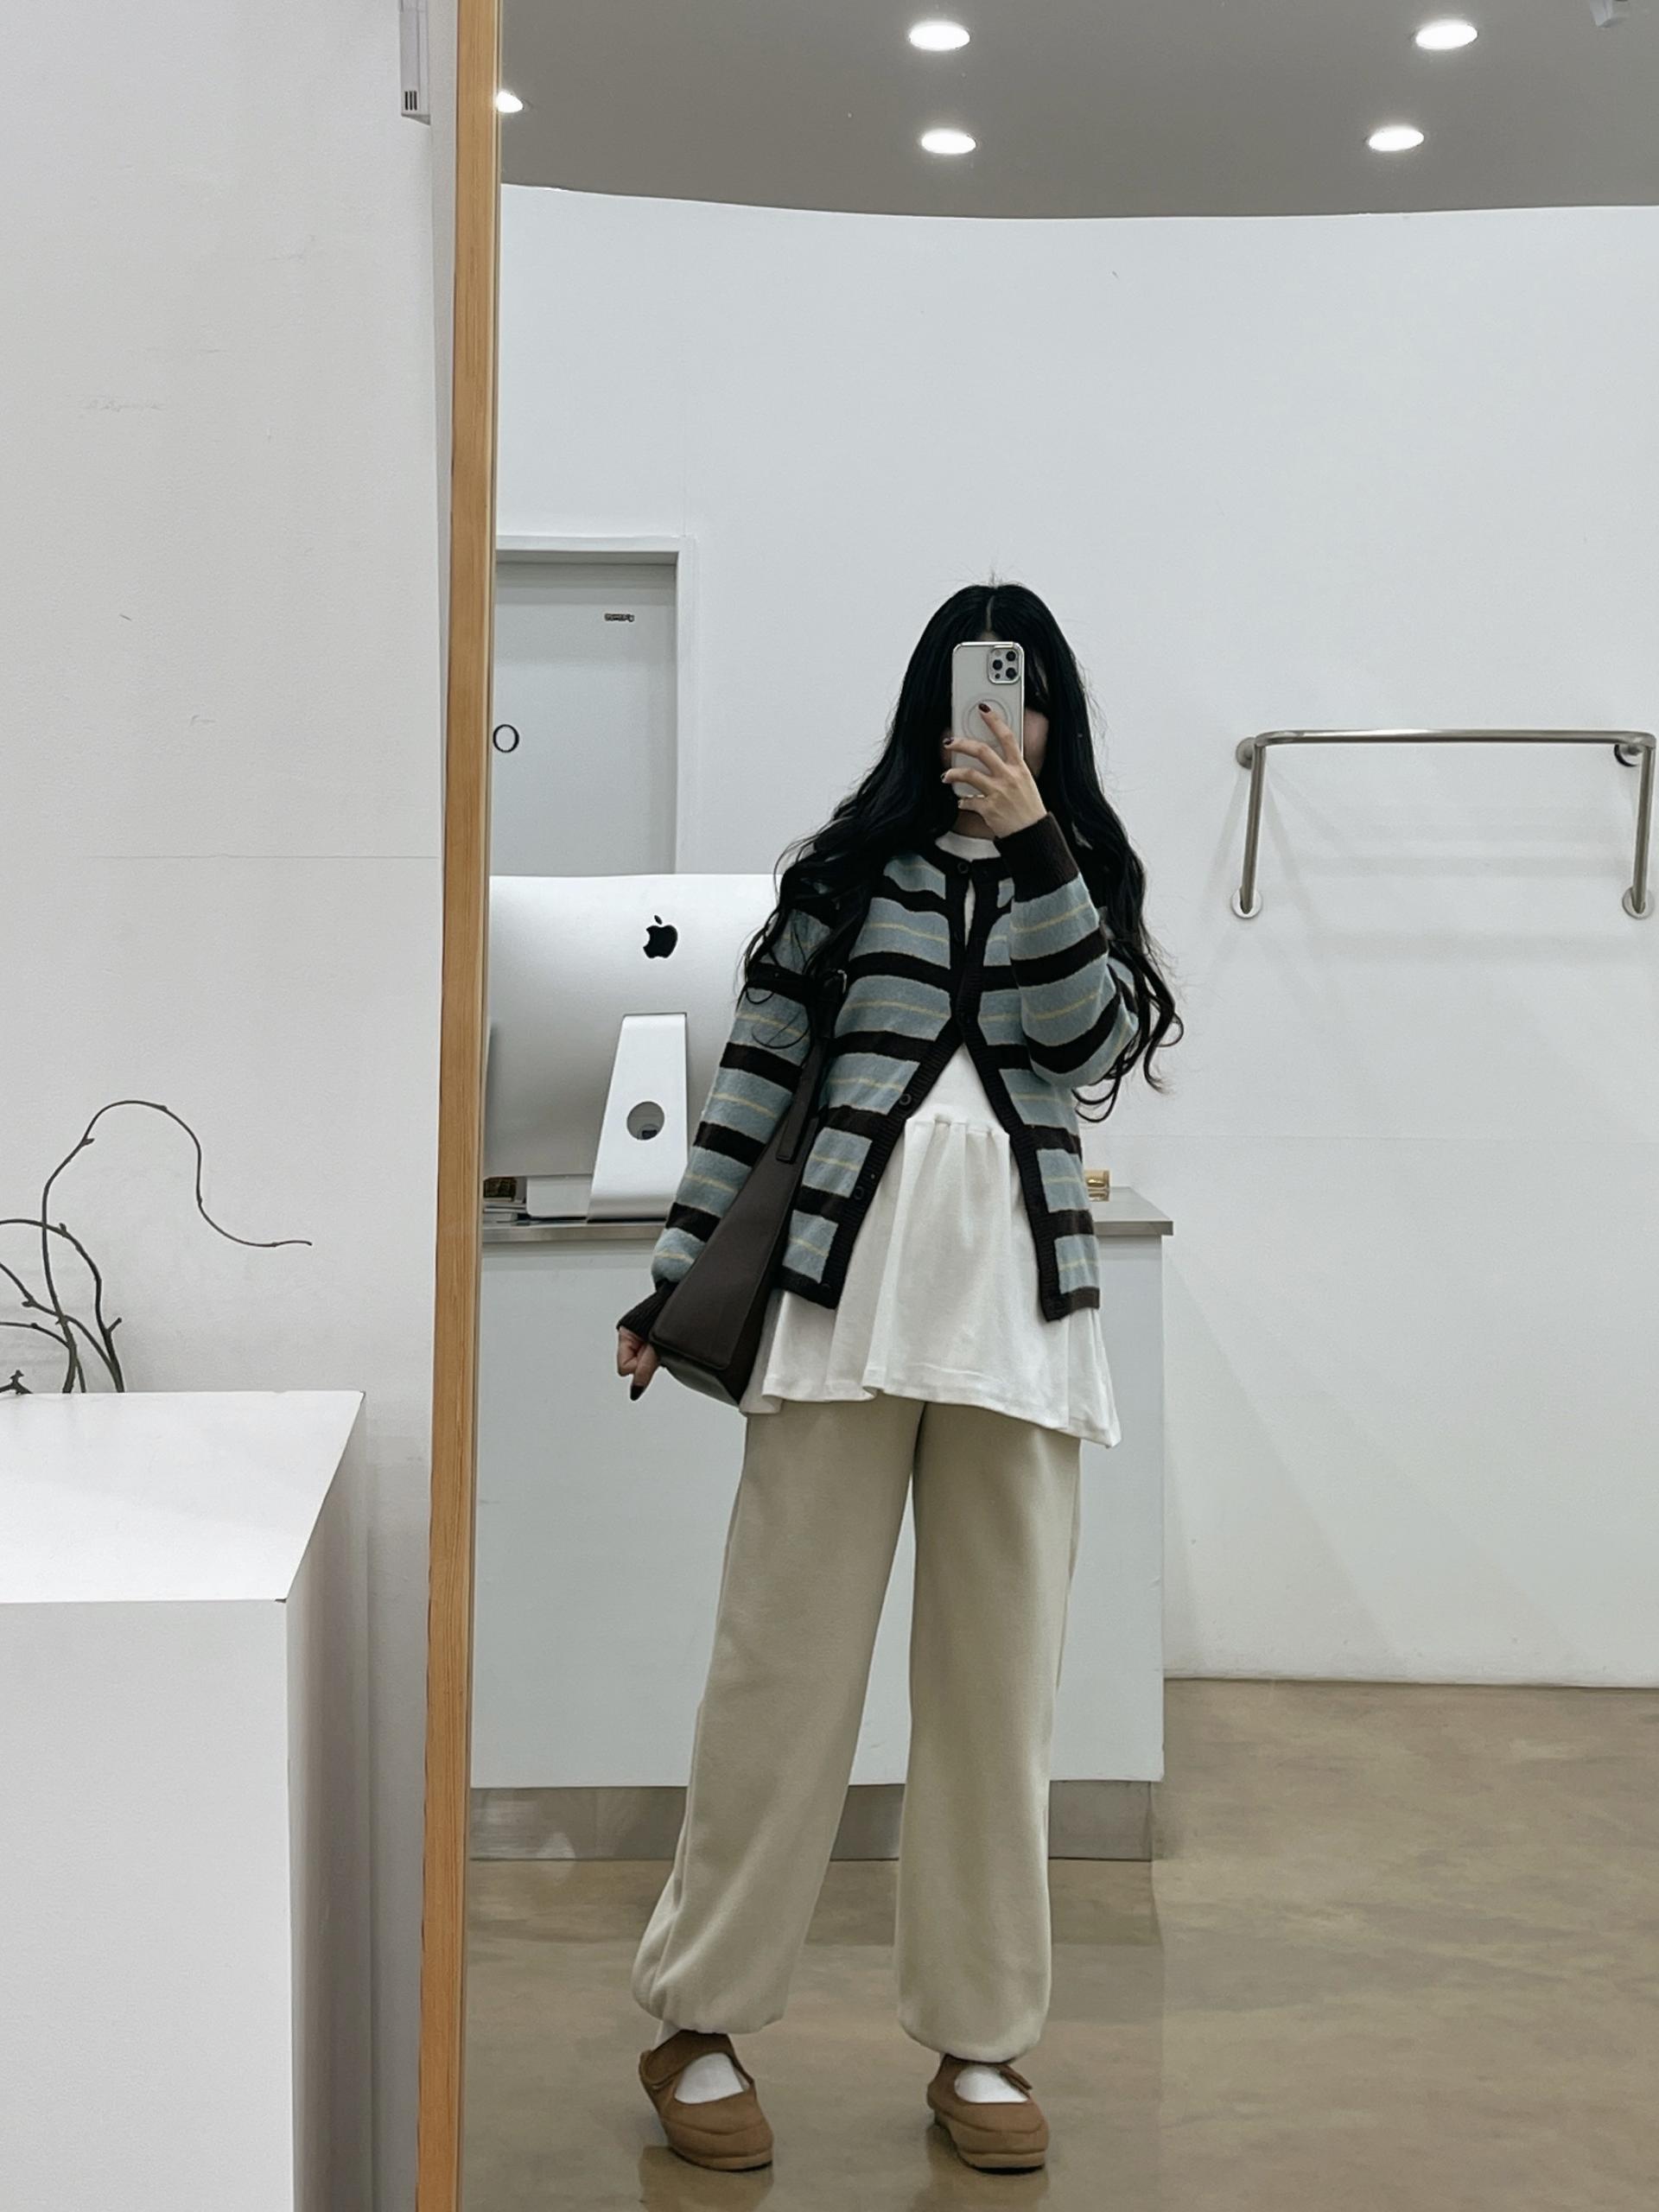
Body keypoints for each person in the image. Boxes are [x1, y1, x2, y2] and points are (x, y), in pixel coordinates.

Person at [615, 580, 1179, 2174]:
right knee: (777, 1680)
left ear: (1056, 715)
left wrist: (1041, 849)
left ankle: (982, 2043)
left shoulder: (1088, 872)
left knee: (997, 1704)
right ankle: (701, 2019)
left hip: (1020, 1325)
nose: (1000, 717)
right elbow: (756, 1082)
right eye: (975, 688)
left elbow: (1084, 1048)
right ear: (931, 705)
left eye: (1025, 692)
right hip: (839, 1308)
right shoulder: (844, 876)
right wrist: (676, 1278)